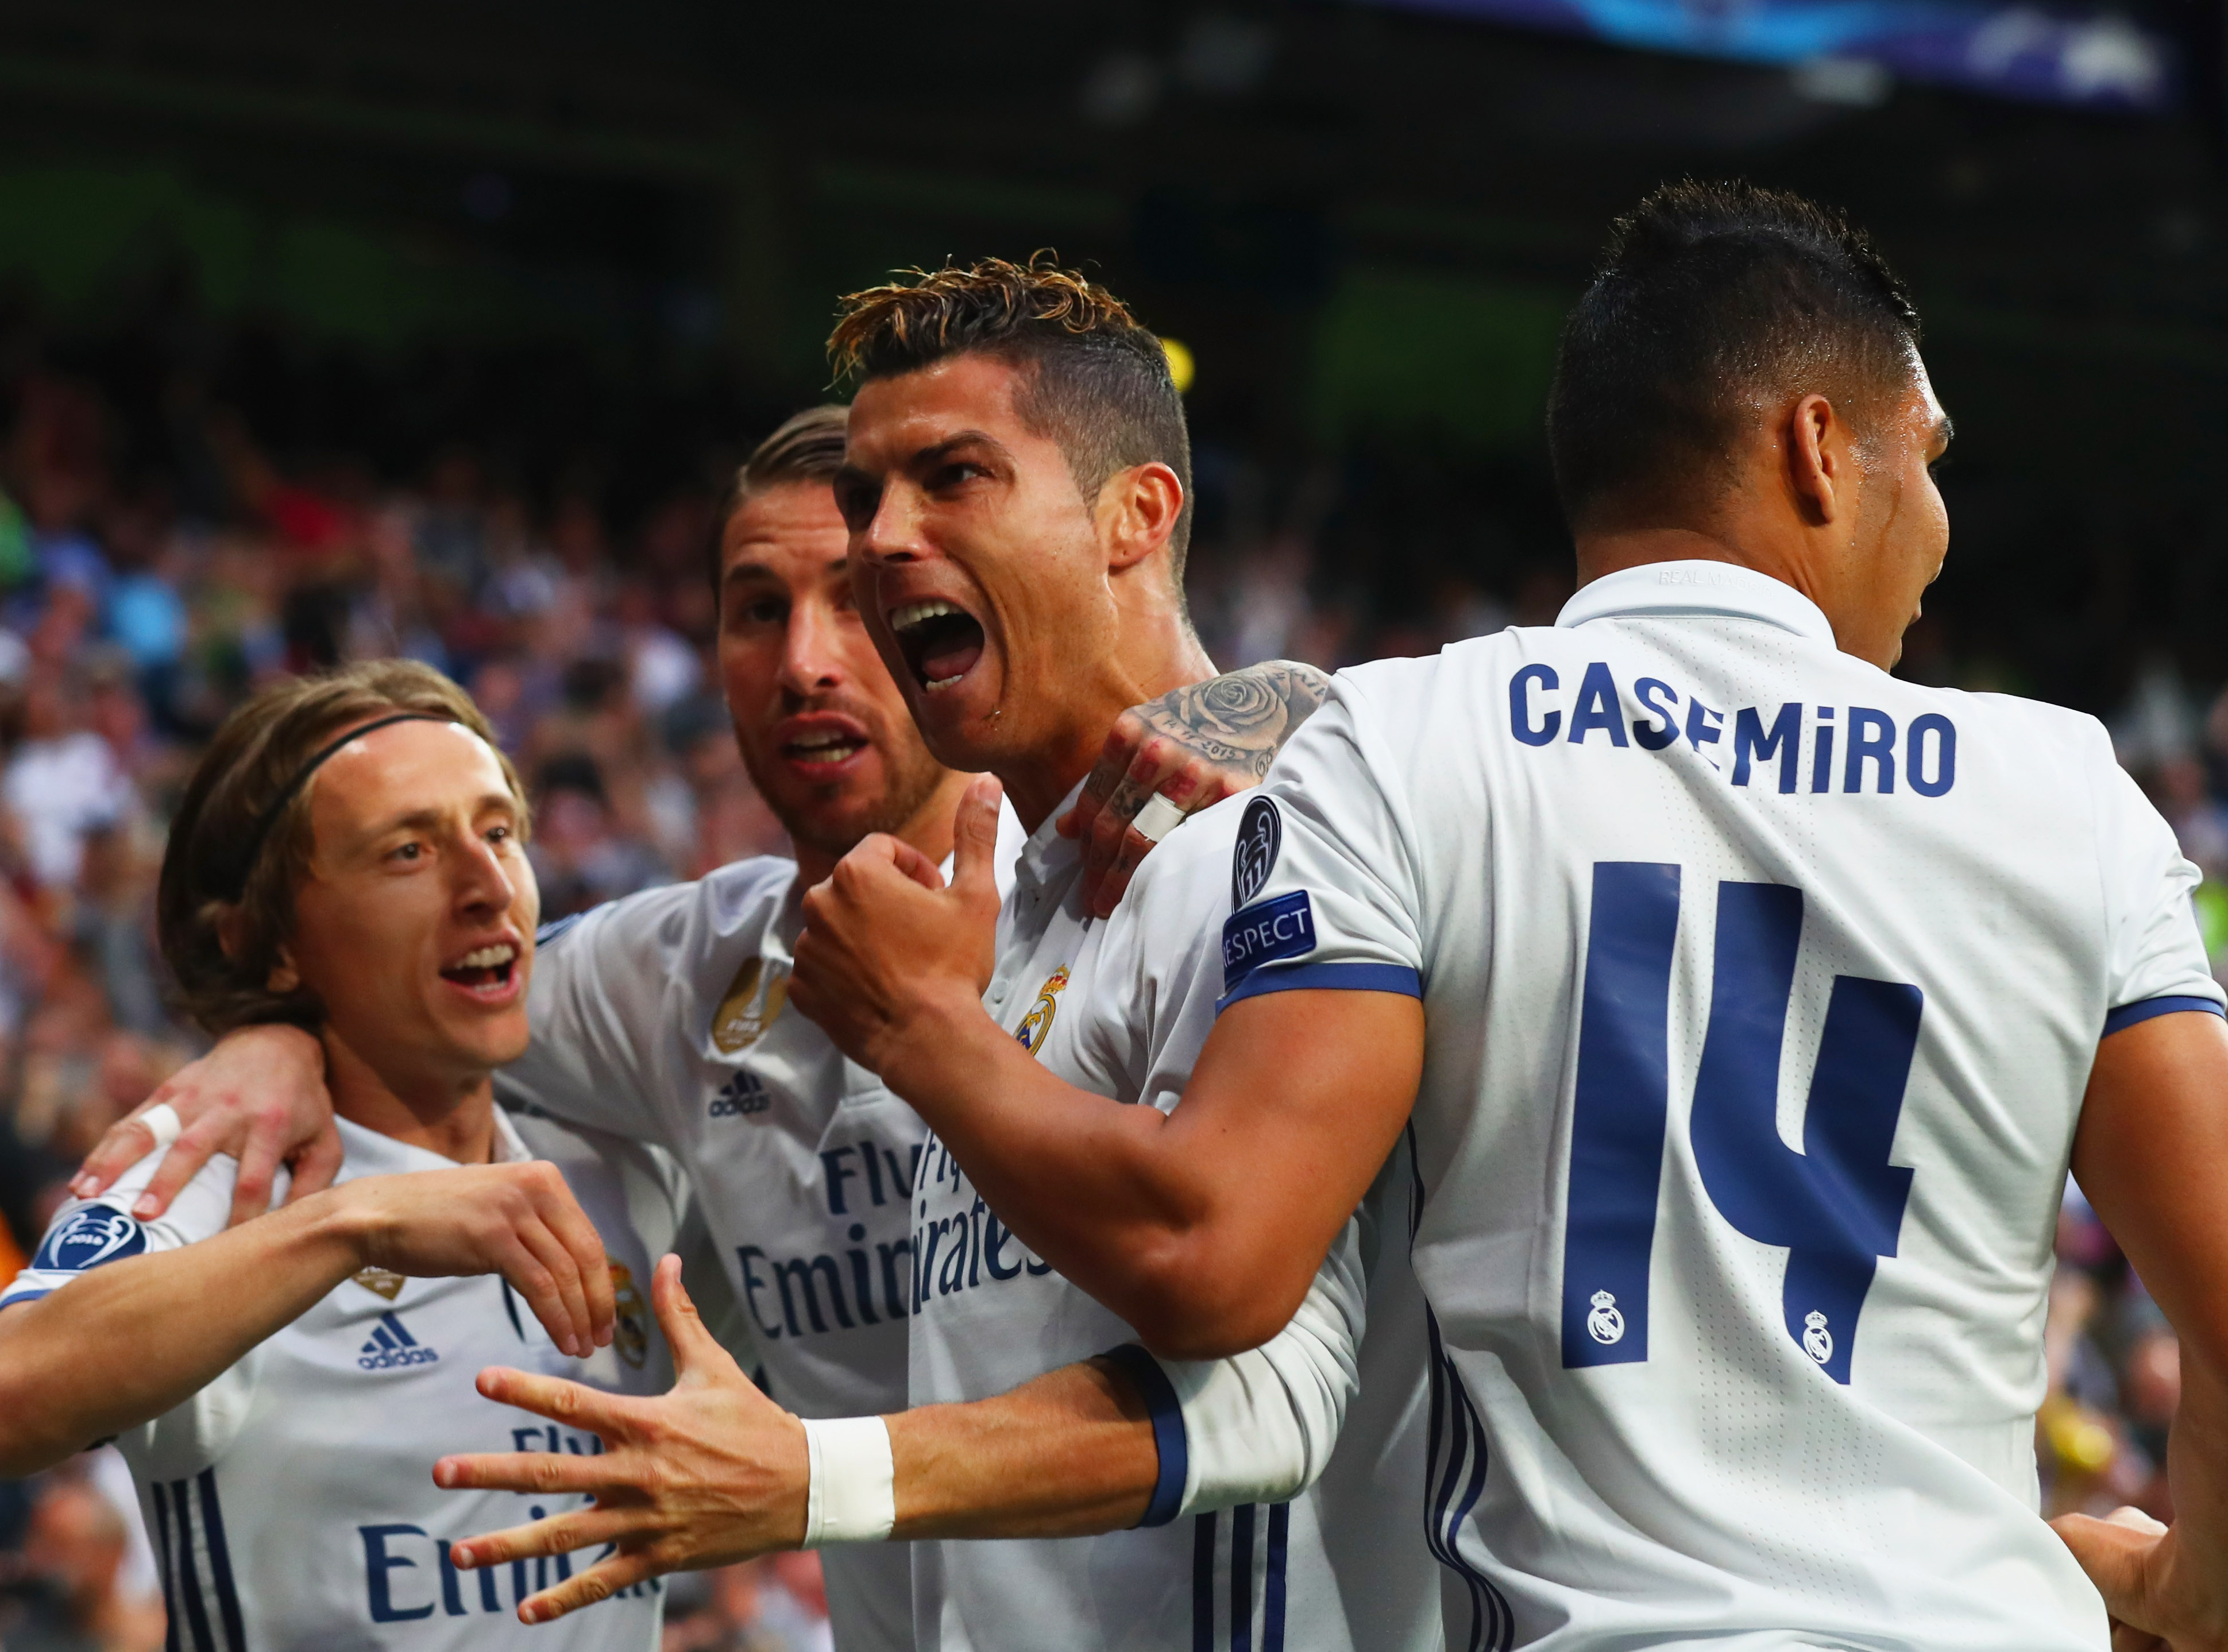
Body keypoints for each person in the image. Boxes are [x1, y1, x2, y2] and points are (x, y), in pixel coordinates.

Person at [775, 184, 2228, 1650]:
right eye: (1923, 456)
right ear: (1817, 446)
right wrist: (2190, 1587)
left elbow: (1214, 1244)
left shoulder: (1409, 743)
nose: (1936, 528)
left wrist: (924, 1025)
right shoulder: (2064, 787)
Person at [64, 407, 1325, 1652]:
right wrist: (269, 1037)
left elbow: (1267, 1391)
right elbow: (395, 991)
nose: (807, 662)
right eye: (756, 610)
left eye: (851, 598)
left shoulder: (1164, 888)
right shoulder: (670, 982)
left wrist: (1282, 705)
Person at [420, 264, 1437, 1652]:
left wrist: (808, 1476)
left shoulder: (1270, 843)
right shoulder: (1012, 911)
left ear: (1137, 515)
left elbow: (1262, 1375)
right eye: (865, 499)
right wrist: (267, 1050)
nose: (889, 539)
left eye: (954, 478)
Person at [0, 660, 678, 1652]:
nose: (484, 885)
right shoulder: (220, 1166)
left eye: (500, 830)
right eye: (408, 850)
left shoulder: (621, 1169)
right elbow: (3, 1400)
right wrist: (354, 1222)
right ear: (275, 943)